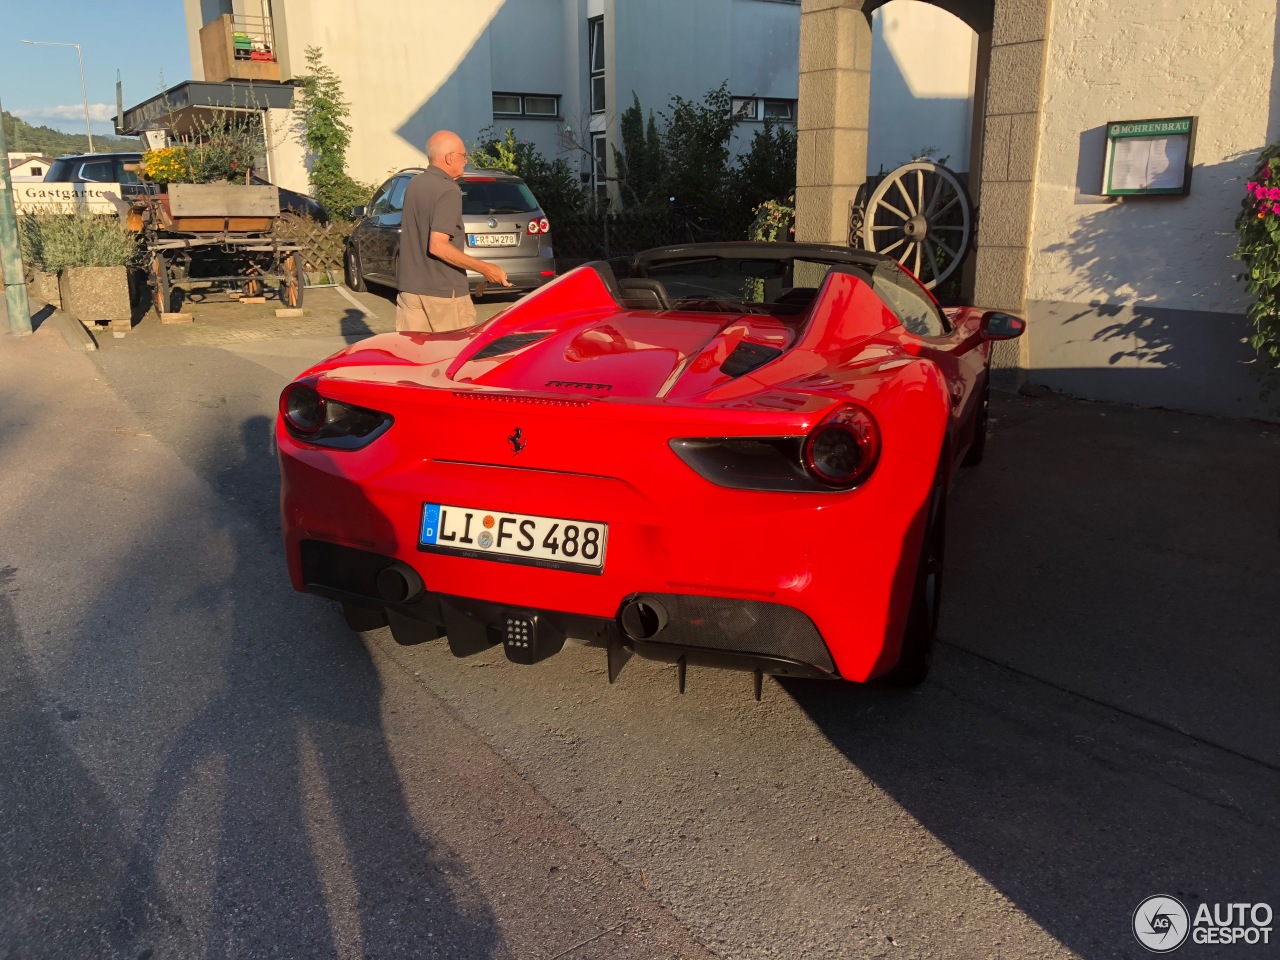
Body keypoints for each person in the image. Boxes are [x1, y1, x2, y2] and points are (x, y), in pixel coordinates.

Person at [395, 130, 510, 332]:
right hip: (444, 296)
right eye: (463, 155)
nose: (466, 160)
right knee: (452, 357)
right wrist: (485, 268)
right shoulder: (448, 190)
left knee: (416, 359)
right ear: (449, 158)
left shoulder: (414, 184)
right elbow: (438, 246)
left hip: (410, 292)